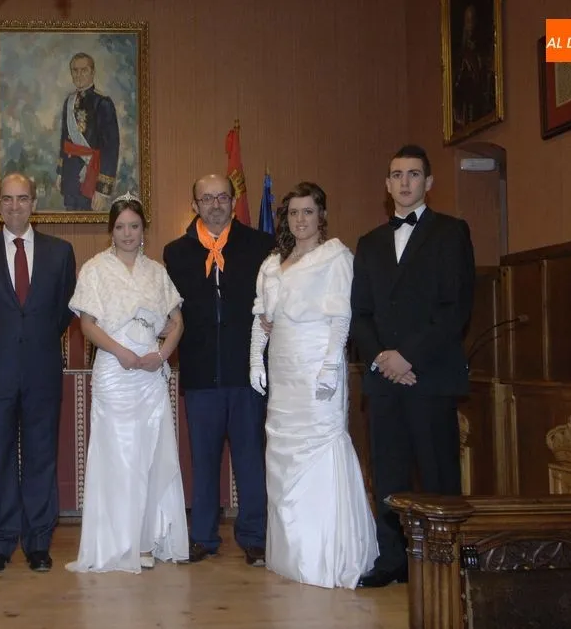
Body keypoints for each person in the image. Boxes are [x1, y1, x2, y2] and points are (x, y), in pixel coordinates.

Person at [350, 144, 476, 588]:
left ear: (429, 182)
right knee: (388, 474)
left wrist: (408, 356)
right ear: (387, 185)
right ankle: (392, 561)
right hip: (385, 379)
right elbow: (359, 312)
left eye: (413, 174)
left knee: (438, 473)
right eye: (397, 174)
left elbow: (455, 307)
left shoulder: (451, 232)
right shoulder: (368, 243)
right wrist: (384, 359)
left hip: (430, 375)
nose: (404, 182)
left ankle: (448, 562)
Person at [249, 182, 377, 589]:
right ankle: (291, 553)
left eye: (308, 212)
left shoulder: (336, 258)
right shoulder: (272, 263)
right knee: (282, 453)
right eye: (293, 213)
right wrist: (255, 358)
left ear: (321, 215)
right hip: (282, 371)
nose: (300, 220)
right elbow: (261, 318)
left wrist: (329, 367)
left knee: (318, 449)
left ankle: (327, 553)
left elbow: (341, 317)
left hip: (316, 368)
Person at [65, 193, 189, 574]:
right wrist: (121, 353)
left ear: (143, 230)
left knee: (150, 455)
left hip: (150, 375)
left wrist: (162, 354)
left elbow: (177, 320)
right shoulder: (95, 269)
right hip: (115, 371)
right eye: (120, 227)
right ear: (111, 231)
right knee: (118, 456)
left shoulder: (156, 271)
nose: (128, 233)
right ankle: (119, 541)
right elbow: (86, 324)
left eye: (134, 226)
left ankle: (147, 538)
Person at [0, 172, 77, 573]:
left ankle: (39, 542)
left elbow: (64, 313)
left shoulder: (61, 253)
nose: (15, 206)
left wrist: (32, 339)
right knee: (2, 458)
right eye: (7, 199)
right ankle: (2, 540)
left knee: (42, 458)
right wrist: (4, 342)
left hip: (42, 371)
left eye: (22, 198)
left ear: (34, 203)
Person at [163, 174, 274, 566]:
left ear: (233, 200)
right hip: (198, 374)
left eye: (222, 197)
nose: (214, 204)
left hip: (247, 375)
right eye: (206, 198)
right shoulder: (175, 252)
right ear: (194, 204)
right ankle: (203, 537)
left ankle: (255, 536)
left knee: (249, 459)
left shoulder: (260, 245)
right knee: (203, 460)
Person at [56, 52, 120, 212]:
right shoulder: (68, 102)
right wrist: (60, 173)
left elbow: (111, 148)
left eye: (83, 70)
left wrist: (102, 189)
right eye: (75, 70)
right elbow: (65, 140)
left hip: (91, 175)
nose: (79, 75)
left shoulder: (103, 102)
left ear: (92, 72)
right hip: (70, 176)